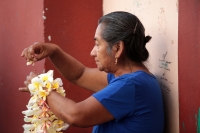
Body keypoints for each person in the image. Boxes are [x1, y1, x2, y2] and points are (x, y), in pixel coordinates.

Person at [19, 11, 164, 133]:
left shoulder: (131, 85)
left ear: (118, 48)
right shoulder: (129, 78)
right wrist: (54, 51)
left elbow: (75, 115)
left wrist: (41, 87)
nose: (92, 52)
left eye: (97, 44)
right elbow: (80, 74)